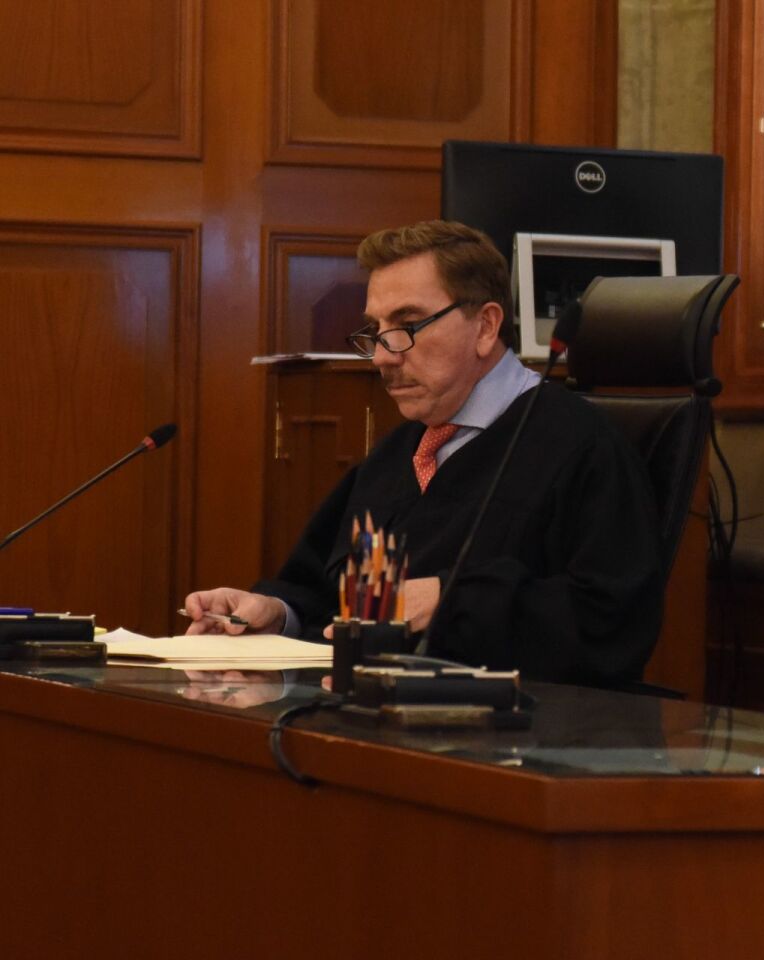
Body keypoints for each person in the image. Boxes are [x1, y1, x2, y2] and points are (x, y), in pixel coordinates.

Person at [182, 220, 664, 687]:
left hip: (513, 742)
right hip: (370, 720)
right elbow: (329, 593)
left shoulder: (582, 446)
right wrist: (276, 615)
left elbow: (611, 624)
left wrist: (450, 600)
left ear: (485, 326)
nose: (382, 356)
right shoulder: (399, 453)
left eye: (408, 324)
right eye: (376, 329)